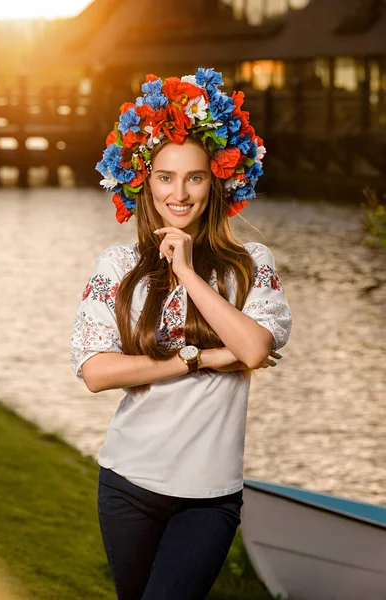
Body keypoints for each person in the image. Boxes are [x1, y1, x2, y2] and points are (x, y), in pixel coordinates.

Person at [70, 68, 292, 600]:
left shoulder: (249, 264)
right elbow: (96, 372)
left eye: (194, 176)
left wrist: (189, 272)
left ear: (215, 180)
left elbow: (256, 347)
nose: (180, 192)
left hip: (210, 496)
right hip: (127, 484)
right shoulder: (117, 264)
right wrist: (198, 359)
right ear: (144, 180)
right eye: (166, 176)